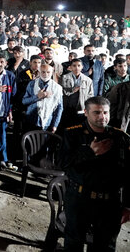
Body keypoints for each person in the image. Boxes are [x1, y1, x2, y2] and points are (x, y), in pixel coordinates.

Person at [59, 96, 130, 251]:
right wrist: (89, 152)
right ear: (86, 112)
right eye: (96, 112)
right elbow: (62, 163)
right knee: (73, 242)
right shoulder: (73, 134)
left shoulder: (120, 138)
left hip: (110, 203)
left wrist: (128, 206)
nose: (102, 117)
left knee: (105, 246)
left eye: (105, 112)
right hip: (79, 198)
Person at [22, 64, 63, 132]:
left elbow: (59, 107)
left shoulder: (57, 88)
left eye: (48, 72)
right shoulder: (32, 84)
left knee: (45, 142)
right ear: (39, 72)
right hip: (31, 120)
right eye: (43, 72)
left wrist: (55, 125)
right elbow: (24, 101)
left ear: (52, 72)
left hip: (48, 122)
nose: (45, 74)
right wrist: (37, 96)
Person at [60, 58, 94, 129]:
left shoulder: (88, 80)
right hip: (67, 108)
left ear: (82, 67)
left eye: (79, 66)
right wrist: (72, 90)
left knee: (79, 129)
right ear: (70, 67)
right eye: (74, 66)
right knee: (67, 128)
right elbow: (61, 92)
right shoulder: (64, 78)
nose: (76, 68)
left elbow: (90, 96)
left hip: (81, 108)